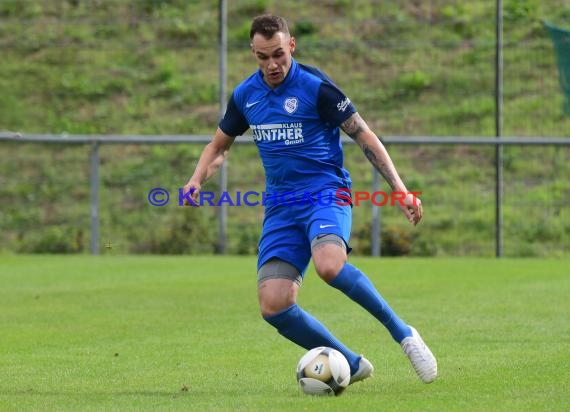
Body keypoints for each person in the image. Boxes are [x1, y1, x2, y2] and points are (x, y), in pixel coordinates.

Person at [183, 14, 437, 385]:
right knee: (274, 305)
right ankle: (350, 362)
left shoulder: (315, 87)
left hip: (325, 193)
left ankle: (405, 335)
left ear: (292, 46)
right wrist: (195, 179)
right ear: (253, 53)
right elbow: (219, 147)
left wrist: (399, 188)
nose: (272, 65)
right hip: (281, 207)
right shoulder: (245, 96)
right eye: (262, 57)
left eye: (278, 55)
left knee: (330, 266)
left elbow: (363, 135)